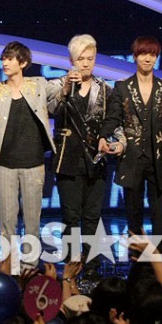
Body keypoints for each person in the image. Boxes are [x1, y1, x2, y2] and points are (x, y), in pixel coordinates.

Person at [0, 41, 60, 266]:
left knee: (32, 222)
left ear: (23, 62)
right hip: (4, 164)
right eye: (3, 58)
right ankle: (8, 265)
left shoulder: (38, 84)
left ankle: (30, 266)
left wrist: (71, 80)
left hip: (34, 163)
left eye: (10, 58)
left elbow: (61, 92)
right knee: (6, 222)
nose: (5, 62)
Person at [49, 34, 124, 274]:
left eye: (90, 58)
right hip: (68, 159)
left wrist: (118, 144)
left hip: (95, 159)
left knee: (92, 215)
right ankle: (72, 264)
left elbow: (114, 124)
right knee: (71, 215)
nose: (85, 63)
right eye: (81, 59)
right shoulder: (57, 85)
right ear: (71, 60)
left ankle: (91, 263)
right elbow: (50, 109)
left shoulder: (105, 90)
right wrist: (66, 89)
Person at [100, 36, 162, 254]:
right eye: (143, 54)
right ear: (135, 56)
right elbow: (113, 118)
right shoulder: (122, 87)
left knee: (160, 213)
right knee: (133, 212)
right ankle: (136, 258)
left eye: (152, 54)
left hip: (158, 158)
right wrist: (104, 137)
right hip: (132, 158)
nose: (148, 59)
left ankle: (158, 258)